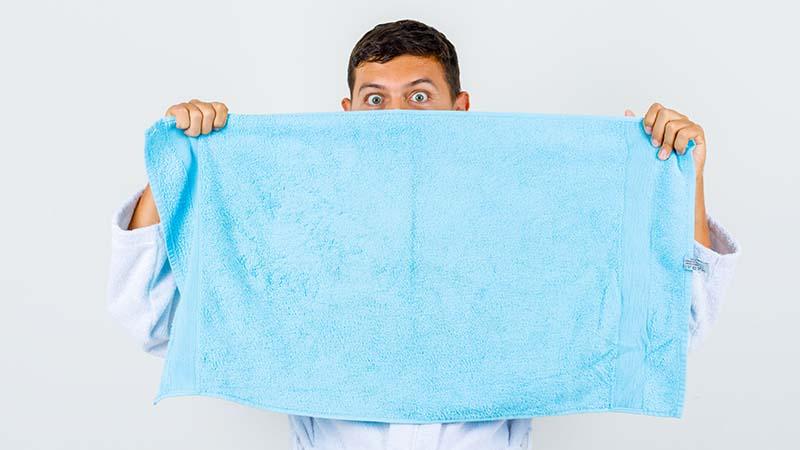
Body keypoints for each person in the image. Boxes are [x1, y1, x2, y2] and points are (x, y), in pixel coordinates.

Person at [107, 19, 741, 450]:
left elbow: (671, 327)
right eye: (376, 100)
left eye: (418, 97)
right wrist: (176, 168)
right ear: (348, 114)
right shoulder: (300, 238)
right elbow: (154, 321)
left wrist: (670, 177)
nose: (396, 118)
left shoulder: (525, 230)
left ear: (458, 112)